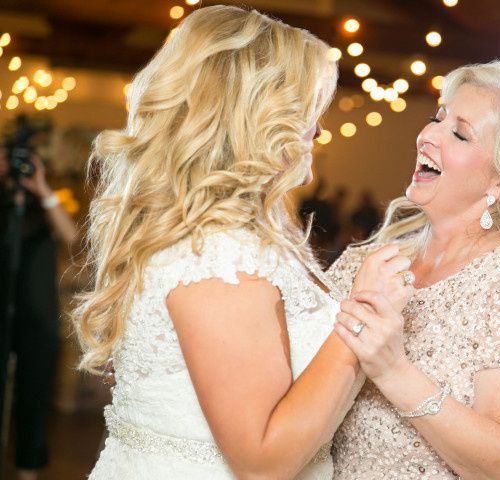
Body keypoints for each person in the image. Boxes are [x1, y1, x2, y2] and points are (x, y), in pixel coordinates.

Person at [72, 6, 411, 479]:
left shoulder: (218, 236)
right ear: (258, 116)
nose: (318, 128)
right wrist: (363, 318)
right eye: (308, 107)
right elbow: (263, 461)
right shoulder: (215, 252)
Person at [326, 60, 500, 478]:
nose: (426, 136)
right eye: (437, 119)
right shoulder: (367, 260)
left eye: (459, 133)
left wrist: (393, 370)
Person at [0, 146, 79, 480]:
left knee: (34, 399)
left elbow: (74, 240)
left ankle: (27, 470)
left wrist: (42, 188)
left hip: (38, 317)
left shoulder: (46, 207)